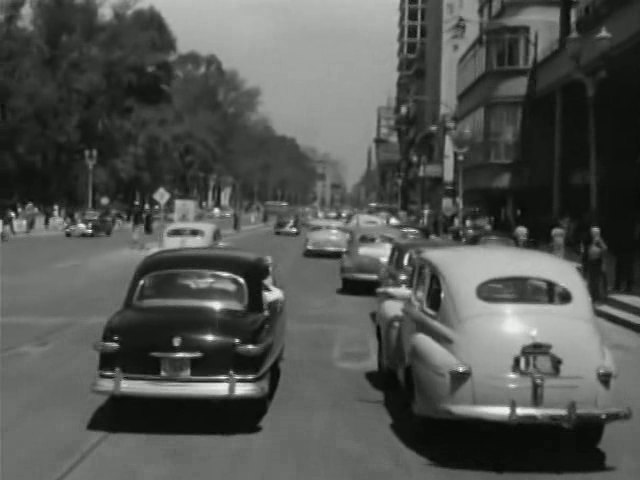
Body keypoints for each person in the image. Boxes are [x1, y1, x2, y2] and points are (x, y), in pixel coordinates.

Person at [581, 226, 608, 302]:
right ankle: (593, 296)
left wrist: (603, 264)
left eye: (595, 233)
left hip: (597, 262)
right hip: (590, 261)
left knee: (595, 281)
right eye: (592, 232)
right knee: (591, 280)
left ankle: (596, 297)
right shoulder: (589, 240)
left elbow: (605, 249)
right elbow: (585, 251)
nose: (593, 234)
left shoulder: (599, 240)